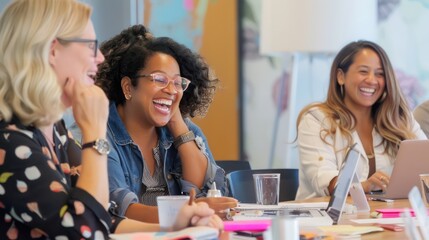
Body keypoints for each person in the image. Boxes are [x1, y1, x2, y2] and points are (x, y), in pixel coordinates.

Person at [0, 0, 221, 238]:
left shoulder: (54, 131)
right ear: (53, 51)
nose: (100, 59)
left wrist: (175, 226)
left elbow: (105, 218)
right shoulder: (10, 142)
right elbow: (84, 231)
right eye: (90, 46)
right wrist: (95, 133)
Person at [94, 24, 235, 223]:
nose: (171, 90)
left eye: (177, 83)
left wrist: (177, 123)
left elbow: (211, 192)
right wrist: (187, 213)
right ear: (128, 87)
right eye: (159, 79)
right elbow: (116, 209)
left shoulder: (185, 131)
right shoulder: (98, 132)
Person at [295, 40, 427, 200]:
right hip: (326, 220)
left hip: (384, 218)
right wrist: (364, 186)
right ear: (340, 76)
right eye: (364, 72)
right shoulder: (316, 119)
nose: (372, 80)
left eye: (380, 74)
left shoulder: (399, 117)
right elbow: (324, 180)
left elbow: (425, 168)